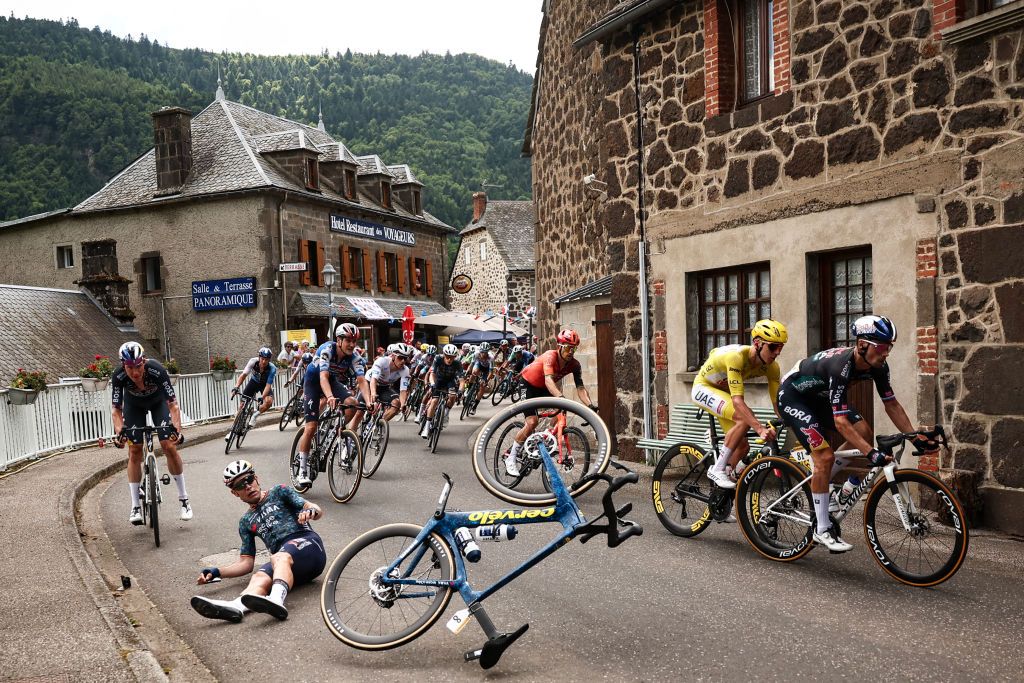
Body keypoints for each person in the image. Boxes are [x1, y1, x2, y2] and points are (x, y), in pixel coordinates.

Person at [777, 315, 937, 553]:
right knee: (824, 457)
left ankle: (822, 483)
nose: (886, 353)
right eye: (882, 347)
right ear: (863, 345)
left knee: (862, 429)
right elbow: (841, 423)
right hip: (794, 397)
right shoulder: (841, 367)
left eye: (889, 347)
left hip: (818, 398)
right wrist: (870, 453)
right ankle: (821, 529)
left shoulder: (878, 366)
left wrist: (914, 436)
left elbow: (891, 404)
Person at [190, 460, 326, 623]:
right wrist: (217, 572)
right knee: (259, 576)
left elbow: (312, 507)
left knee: (279, 557)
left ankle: (276, 600)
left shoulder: (279, 492)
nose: (247, 486)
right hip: (286, 566)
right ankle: (236, 607)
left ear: (257, 479)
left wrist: (311, 511)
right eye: (240, 485)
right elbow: (246, 563)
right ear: (235, 493)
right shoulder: (246, 521)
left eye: (249, 479)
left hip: (309, 546)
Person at [692, 319, 787, 490]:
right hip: (704, 387)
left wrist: (788, 421)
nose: (777, 352)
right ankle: (718, 468)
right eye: (773, 347)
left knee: (743, 447)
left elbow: (777, 403)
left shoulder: (772, 368)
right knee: (744, 418)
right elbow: (737, 401)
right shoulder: (736, 357)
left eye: (781, 348)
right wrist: (760, 429)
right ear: (757, 343)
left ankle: (721, 499)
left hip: (723, 392)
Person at [110, 341, 190, 524]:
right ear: (124, 365)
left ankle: (184, 499)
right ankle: (135, 506)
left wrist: (176, 430)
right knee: (135, 450)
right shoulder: (119, 376)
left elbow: (173, 404)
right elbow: (116, 410)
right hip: (133, 407)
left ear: (144, 361)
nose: (135, 372)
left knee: (168, 445)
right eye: (130, 368)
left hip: (157, 403)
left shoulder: (157, 370)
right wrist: (119, 431)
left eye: (138, 366)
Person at [504, 329, 596, 477]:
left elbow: (580, 387)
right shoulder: (550, 356)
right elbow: (548, 380)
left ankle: (547, 435)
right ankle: (511, 457)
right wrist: (560, 397)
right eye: (567, 347)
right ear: (560, 346)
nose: (571, 351)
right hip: (527, 385)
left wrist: (590, 406)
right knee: (532, 421)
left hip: (544, 388)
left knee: (561, 409)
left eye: (574, 348)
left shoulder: (574, 365)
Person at [295, 324, 367, 488]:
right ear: (339, 340)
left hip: (332, 382)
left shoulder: (354, 357)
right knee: (311, 427)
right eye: (348, 340)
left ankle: (337, 430)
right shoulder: (327, 349)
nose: (351, 344)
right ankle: (302, 471)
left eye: (354, 341)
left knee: (353, 404)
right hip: (314, 382)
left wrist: (370, 402)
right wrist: (329, 397)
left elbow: (362, 381)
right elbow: (323, 377)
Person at [227, 347, 277, 436]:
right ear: (259, 357)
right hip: (253, 382)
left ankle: (254, 415)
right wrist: (236, 387)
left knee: (269, 401)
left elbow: (268, 386)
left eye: (267, 359)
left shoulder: (272, 368)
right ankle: (232, 430)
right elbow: (243, 376)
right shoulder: (253, 362)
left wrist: (262, 397)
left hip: (264, 385)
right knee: (241, 405)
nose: (264, 361)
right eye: (262, 359)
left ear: (269, 360)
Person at [419, 344, 464, 438]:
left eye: (452, 357)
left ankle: (446, 414)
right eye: (447, 357)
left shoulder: (457, 363)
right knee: (434, 401)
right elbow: (432, 374)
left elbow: (462, 381)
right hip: (438, 379)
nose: (449, 360)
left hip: (450, 381)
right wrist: (432, 384)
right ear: (443, 354)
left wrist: (460, 391)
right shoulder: (438, 358)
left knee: (452, 396)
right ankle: (426, 428)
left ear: (455, 357)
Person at [366, 342, 414, 422]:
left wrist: (402, 405)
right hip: (370, 383)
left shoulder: (405, 370)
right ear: (393, 356)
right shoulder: (382, 361)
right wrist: (373, 393)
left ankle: (379, 423)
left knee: (396, 403)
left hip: (384, 387)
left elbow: (403, 390)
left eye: (405, 359)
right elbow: (374, 380)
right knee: (359, 411)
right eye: (400, 357)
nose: (403, 361)